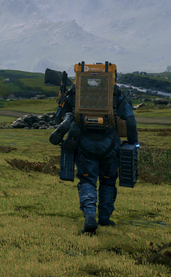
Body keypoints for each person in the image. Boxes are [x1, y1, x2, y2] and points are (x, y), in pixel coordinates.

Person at [50, 70, 138, 234]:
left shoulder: (75, 93)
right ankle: (104, 218)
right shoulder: (116, 94)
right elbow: (131, 122)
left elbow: (59, 116)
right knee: (108, 181)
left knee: (87, 181)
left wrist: (67, 117)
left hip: (84, 144)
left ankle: (90, 214)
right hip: (110, 144)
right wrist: (133, 144)